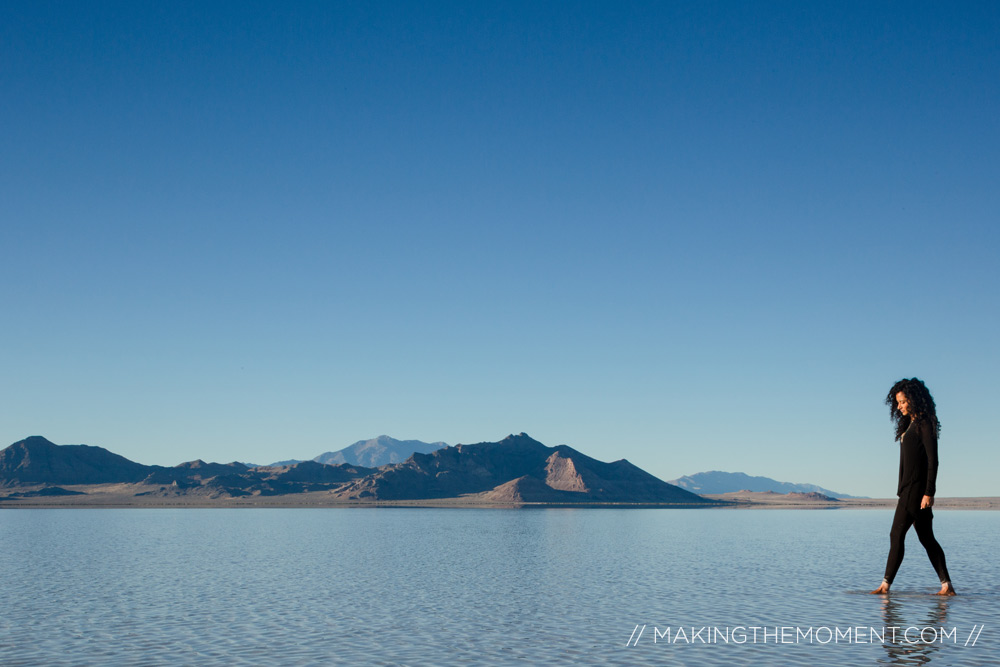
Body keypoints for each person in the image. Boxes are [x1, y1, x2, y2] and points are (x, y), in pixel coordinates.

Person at [872, 378, 955, 595]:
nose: (898, 407)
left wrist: (929, 492)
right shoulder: (910, 424)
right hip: (909, 489)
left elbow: (933, 460)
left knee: (895, 534)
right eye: (897, 403)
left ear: (913, 400)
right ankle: (946, 585)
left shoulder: (923, 424)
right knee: (926, 538)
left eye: (902, 402)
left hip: (915, 490)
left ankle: (885, 586)